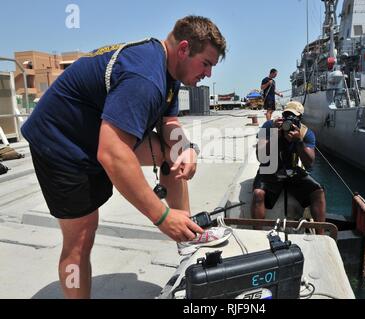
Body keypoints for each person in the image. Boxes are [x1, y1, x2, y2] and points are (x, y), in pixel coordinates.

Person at [21, 15, 227, 298]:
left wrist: (186, 148)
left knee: (173, 154)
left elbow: (168, 122)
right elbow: (113, 154)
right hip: (61, 143)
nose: (209, 74)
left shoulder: (171, 72)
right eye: (206, 64)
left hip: (98, 133)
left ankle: (187, 239)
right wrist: (162, 217)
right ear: (183, 49)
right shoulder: (145, 77)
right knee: (81, 237)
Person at [251, 101, 326, 228]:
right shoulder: (269, 126)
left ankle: (321, 234)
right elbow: (260, 157)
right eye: (286, 116)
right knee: (258, 193)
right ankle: (259, 233)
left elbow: (309, 163)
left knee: (318, 192)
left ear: (300, 118)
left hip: (292, 171)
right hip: (270, 169)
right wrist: (275, 135)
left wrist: (299, 142)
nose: (288, 121)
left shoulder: (305, 133)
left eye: (293, 117)